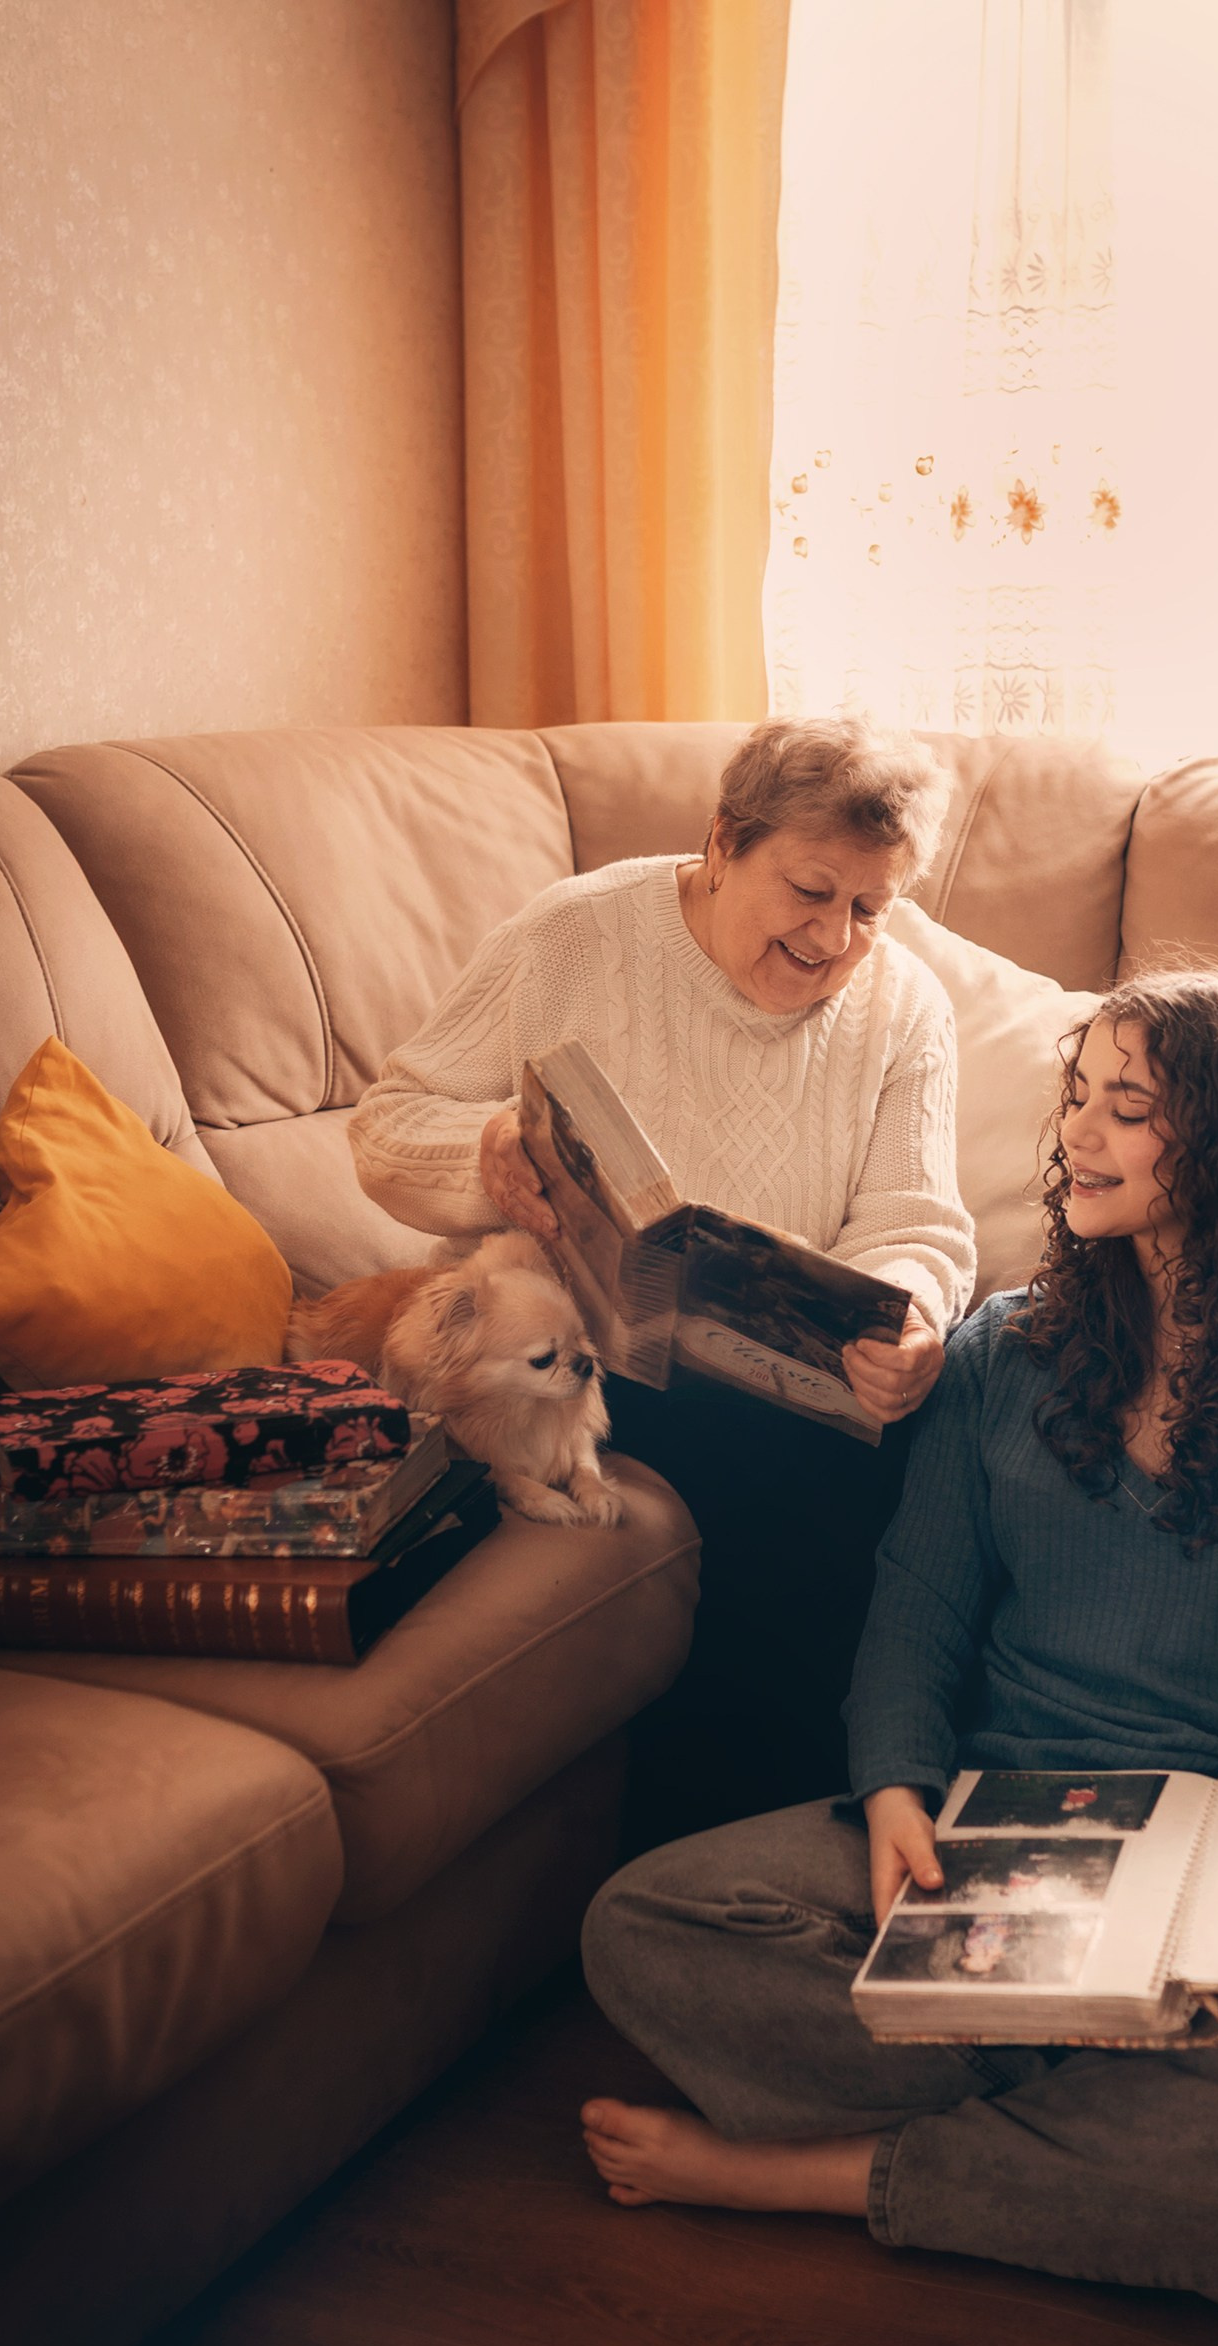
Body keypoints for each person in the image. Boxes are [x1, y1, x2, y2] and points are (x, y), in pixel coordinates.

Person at [576, 969, 1218, 2307]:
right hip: (1002, 1840)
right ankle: (1108, 2091)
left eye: (1129, 1108)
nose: (1076, 1137)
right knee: (640, 1925)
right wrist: (893, 1797)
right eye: (1077, 1098)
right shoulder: (1005, 1350)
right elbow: (920, 1603)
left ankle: (824, 2169)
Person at [349, 717, 977, 1829]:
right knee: (781, 1482)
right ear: (724, 842)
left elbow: (913, 1221)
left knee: (941, 1431)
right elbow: (388, 1127)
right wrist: (487, 1144)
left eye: (869, 910)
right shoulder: (573, 936)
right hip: (578, 1357)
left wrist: (912, 1320)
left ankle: (805, 1837)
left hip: (780, 1372)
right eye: (809, 891)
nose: (834, 937)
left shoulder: (905, 1009)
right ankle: (748, 1848)